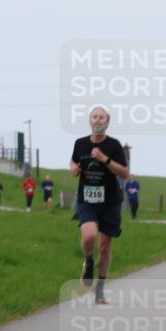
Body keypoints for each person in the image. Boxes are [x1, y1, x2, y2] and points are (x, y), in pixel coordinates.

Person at [70, 106, 128, 304]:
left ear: (107, 122)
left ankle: (100, 291)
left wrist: (105, 159)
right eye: (95, 116)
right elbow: (73, 161)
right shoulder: (80, 143)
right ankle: (88, 262)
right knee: (89, 235)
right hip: (87, 200)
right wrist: (74, 169)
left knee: (104, 247)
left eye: (102, 117)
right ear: (89, 121)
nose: (98, 120)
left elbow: (124, 173)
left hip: (110, 201)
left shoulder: (114, 146)